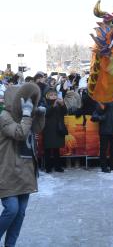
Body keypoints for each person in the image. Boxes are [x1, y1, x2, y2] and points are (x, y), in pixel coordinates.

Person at [0, 83, 46, 246]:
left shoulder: (24, 117)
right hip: (8, 171)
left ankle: (10, 245)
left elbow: (37, 129)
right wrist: (27, 115)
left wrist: (39, 114)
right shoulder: (4, 117)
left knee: (20, 214)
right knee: (11, 209)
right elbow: (20, 133)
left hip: (25, 171)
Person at [91, 101, 113, 172]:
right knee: (103, 150)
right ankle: (104, 167)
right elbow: (95, 115)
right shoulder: (101, 101)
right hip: (104, 130)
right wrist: (102, 117)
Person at [42, 88, 67, 173]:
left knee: (57, 149)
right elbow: (47, 113)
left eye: (55, 95)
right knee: (47, 150)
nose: (53, 96)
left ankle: (58, 167)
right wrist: (53, 105)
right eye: (51, 95)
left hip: (57, 128)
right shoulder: (44, 103)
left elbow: (65, 112)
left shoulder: (60, 103)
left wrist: (63, 104)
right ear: (47, 96)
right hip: (48, 128)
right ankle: (48, 167)